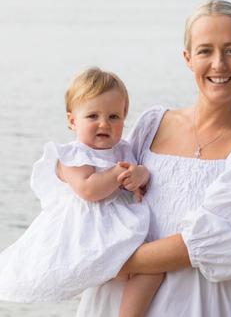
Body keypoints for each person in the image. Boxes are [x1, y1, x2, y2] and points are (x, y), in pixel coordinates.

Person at [76, 0, 231, 317]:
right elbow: (105, 198)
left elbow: (203, 243)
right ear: (188, 58)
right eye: (205, 51)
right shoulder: (152, 124)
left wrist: (105, 261)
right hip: (112, 303)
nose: (218, 64)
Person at [0, 68, 163, 317]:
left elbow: (139, 177)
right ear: (72, 120)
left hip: (118, 225)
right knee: (141, 268)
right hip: (87, 230)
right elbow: (89, 189)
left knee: (151, 271)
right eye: (92, 116)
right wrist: (116, 174)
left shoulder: (122, 150)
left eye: (114, 116)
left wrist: (140, 174)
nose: (103, 124)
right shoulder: (72, 155)